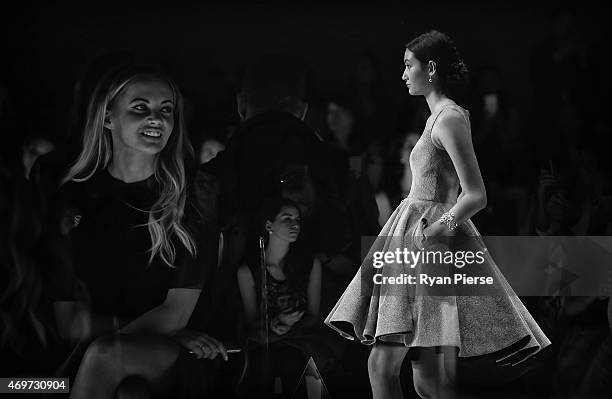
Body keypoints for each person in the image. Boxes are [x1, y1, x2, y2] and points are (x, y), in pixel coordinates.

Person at [324, 30, 551, 399]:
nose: (402, 75)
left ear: (430, 69)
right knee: (427, 377)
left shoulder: (448, 119)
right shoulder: (440, 118)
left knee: (387, 367)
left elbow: (475, 194)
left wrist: (435, 232)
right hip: (418, 239)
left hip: (426, 244)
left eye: (408, 66)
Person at [49, 64, 225, 399]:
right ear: (107, 117)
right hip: (95, 353)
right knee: (129, 392)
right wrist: (153, 334)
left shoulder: (194, 196)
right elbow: (68, 321)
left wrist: (155, 336)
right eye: (140, 108)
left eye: (167, 110)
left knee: (107, 356)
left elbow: (176, 313)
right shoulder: (73, 199)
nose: (156, 118)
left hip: (176, 357)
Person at [236, 197, 330, 397]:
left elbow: (314, 314)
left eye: (297, 220)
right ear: (269, 224)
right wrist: (276, 323)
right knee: (266, 362)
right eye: (286, 218)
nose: (294, 224)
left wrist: (291, 325)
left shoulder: (309, 264)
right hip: (265, 339)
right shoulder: (250, 271)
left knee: (292, 360)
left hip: (300, 338)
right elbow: (251, 320)